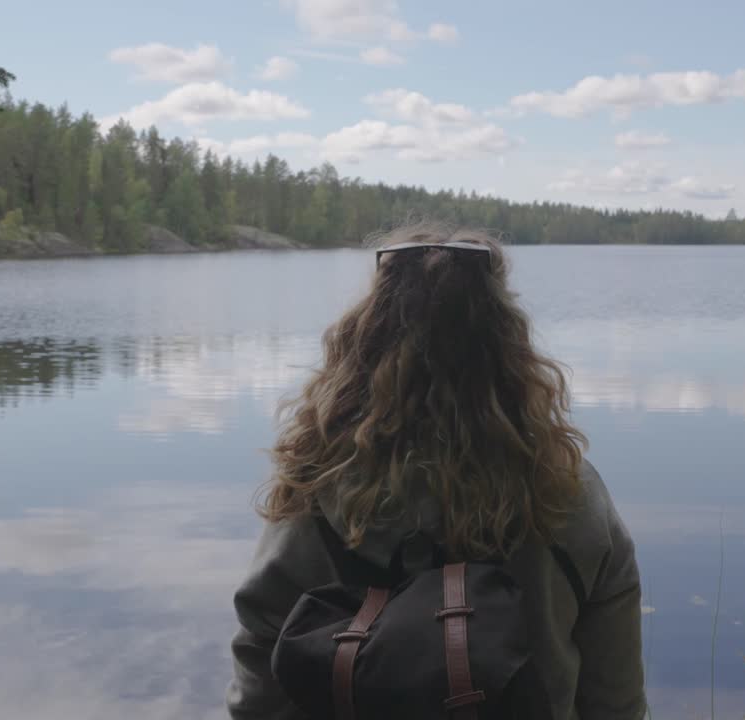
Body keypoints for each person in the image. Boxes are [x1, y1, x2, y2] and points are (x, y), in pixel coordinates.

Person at [225, 225, 646, 720]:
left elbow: (260, 684)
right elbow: (615, 702)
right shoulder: (568, 492)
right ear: (507, 340)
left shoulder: (317, 485)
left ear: (364, 337)